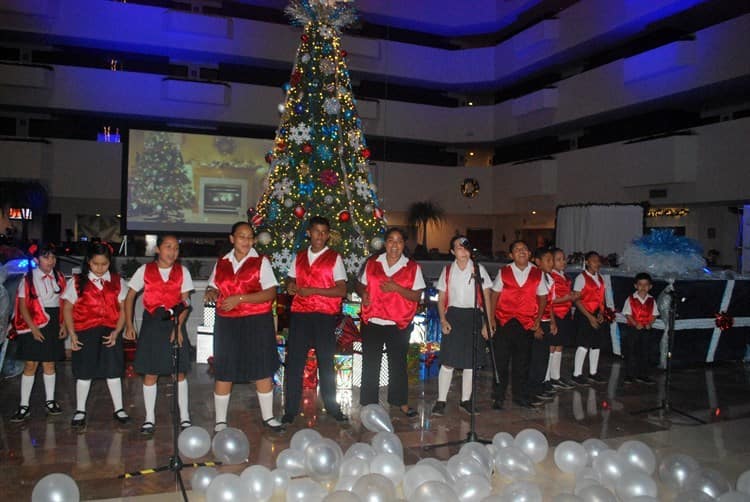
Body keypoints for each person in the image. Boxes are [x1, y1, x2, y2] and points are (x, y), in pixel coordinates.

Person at [203, 222, 282, 432]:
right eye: (241, 236)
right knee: (224, 369)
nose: (246, 241)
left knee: (261, 368)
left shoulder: (260, 262)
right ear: (232, 239)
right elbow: (214, 285)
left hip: (256, 322)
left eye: (250, 237)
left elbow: (270, 293)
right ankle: (220, 421)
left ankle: (268, 417)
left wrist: (240, 298)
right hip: (227, 323)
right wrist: (210, 291)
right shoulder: (222, 263)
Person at [124, 235, 194, 435]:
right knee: (150, 372)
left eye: (176, 248)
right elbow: (129, 297)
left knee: (179, 371)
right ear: (157, 249)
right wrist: (130, 324)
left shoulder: (183, 272)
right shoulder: (144, 271)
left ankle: (185, 417)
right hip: (152, 325)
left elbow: (185, 302)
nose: (172, 252)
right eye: (168, 247)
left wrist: (178, 327)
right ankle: (149, 419)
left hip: (175, 322)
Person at [282, 216, 347, 425]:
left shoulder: (334, 258)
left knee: (326, 363)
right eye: (315, 231)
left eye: (323, 232)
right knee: (294, 363)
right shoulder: (299, 257)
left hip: (324, 316)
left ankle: (332, 406)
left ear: (328, 235)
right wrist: (291, 285)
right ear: (308, 233)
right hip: (300, 315)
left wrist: (314, 291)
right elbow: (290, 279)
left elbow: (342, 289)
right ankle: (290, 409)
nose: (319, 235)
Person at [356, 228, 425, 418]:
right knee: (370, 363)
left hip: (398, 323)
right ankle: (368, 403)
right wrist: (363, 293)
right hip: (373, 320)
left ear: (404, 245)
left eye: (399, 241)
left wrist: (397, 288)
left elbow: (416, 296)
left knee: (398, 364)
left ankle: (400, 402)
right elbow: (360, 283)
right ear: (385, 243)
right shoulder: (372, 263)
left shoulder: (412, 267)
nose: (395, 245)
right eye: (391, 241)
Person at [62, 242, 130, 429]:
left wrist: (117, 331)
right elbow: (67, 308)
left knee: (113, 370)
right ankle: (80, 410)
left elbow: (124, 309)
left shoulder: (117, 281)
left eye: (104, 264)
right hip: (85, 331)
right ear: (88, 263)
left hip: (110, 331)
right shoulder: (76, 282)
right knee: (84, 371)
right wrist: (72, 333)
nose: (100, 268)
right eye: (95, 264)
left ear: (110, 263)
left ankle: (119, 409)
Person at [432, 235, 492, 416]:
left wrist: (487, 323)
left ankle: (466, 400)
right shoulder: (448, 270)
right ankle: (441, 401)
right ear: (452, 251)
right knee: (448, 361)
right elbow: (441, 298)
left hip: (473, 316)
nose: (463, 250)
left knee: (470, 363)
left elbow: (487, 297)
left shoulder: (479, 269)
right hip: (454, 316)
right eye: (458, 247)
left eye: (466, 247)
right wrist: (443, 319)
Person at [10, 243, 67, 422]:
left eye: (53, 257)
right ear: (36, 260)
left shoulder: (59, 277)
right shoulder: (28, 279)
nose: (50, 261)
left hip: (53, 321)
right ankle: (24, 405)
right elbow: (22, 306)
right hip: (33, 323)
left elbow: (64, 303)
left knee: (49, 364)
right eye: (45, 257)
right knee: (31, 365)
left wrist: (63, 324)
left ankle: (50, 401)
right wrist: (33, 328)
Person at [490, 240, 548, 410]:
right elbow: (495, 295)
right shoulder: (504, 272)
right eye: (517, 249)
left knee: (522, 362)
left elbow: (543, 297)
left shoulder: (537, 273)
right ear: (511, 255)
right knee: (500, 361)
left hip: (526, 323)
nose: (521, 251)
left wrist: (537, 319)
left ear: (529, 254)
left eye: (524, 249)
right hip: (504, 321)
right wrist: (492, 318)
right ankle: (498, 395)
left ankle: (520, 395)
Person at [572, 251, 608, 385]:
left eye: (598, 261)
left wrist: (601, 313)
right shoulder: (581, 278)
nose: (597, 263)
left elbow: (601, 298)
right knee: (583, 344)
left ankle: (593, 372)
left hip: (596, 312)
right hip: (584, 313)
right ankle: (577, 373)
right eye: (594, 260)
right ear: (587, 262)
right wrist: (589, 317)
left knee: (596, 344)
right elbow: (576, 300)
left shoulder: (600, 278)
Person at [528, 248, 558, 407]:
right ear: (537, 262)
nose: (551, 263)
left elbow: (549, 304)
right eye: (548, 260)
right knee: (535, 358)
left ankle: (539, 386)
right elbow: (532, 303)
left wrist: (552, 321)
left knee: (543, 357)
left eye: (552, 260)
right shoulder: (533, 278)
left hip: (546, 321)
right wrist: (536, 324)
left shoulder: (550, 279)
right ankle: (531, 390)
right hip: (535, 322)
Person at [621, 272, 659, 385]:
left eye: (646, 284)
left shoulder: (652, 300)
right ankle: (629, 375)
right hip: (633, 329)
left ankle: (643, 375)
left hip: (646, 330)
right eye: (640, 284)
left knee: (645, 352)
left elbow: (654, 314)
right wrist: (635, 323)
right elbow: (627, 313)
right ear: (636, 286)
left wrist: (650, 323)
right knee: (631, 351)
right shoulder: (631, 299)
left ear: (650, 286)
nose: (643, 287)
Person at [548, 248, 576, 390]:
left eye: (563, 259)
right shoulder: (551, 277)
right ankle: (547, 378)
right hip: (555, 314)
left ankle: (556, 376)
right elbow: (550, 300)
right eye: (558, 259)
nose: (563, 262)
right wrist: (566, 298)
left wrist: (571, 296)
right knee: (552, 346)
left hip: (565, 314)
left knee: (560, 345)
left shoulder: (564, 276)